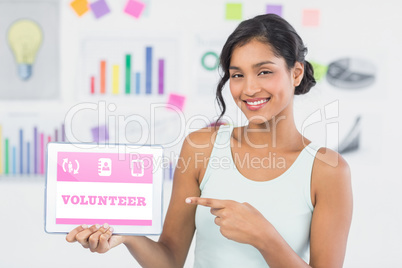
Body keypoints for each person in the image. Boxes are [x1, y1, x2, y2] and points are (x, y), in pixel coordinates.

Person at [66, 14, 353, 268]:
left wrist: (265, 238)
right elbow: (169, 259)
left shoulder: (328, 170)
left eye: (264, 71)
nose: (250, 88)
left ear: (296, 72)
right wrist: (127, 236)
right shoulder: (201, 147)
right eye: (237, 75)